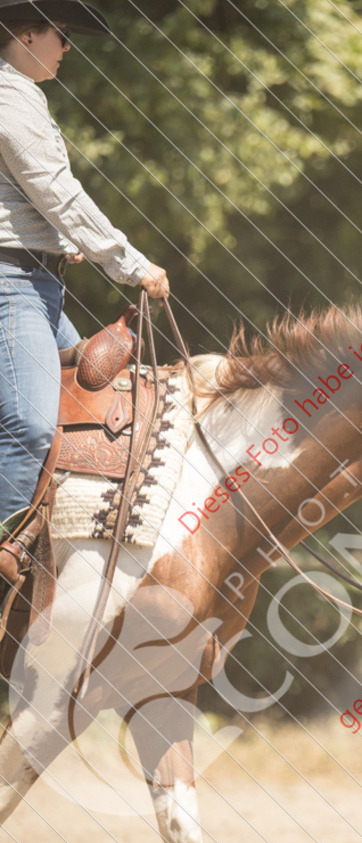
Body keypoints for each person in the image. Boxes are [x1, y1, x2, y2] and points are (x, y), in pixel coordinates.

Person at [0, 0, 169, 583]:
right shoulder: (8, 99)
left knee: (93, 406)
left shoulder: (22, 95)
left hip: (35, 282)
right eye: (62, 34)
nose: (67, 48)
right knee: (30, 427)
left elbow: (27, 200)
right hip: (11, 286)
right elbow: (57, 192)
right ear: (28, 34)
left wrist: (54, 242)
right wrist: (130, 263)